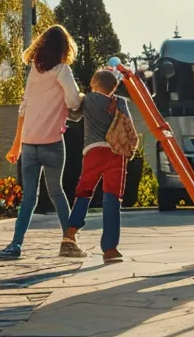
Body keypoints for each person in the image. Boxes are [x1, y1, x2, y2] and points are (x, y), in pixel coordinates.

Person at [0, 25, 86, 260]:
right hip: (52, 143)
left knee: (29, 198)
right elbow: (74, 101)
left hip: (29, 143)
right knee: (57, 193)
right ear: (64, 48)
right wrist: (81, 100)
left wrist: (16, 144)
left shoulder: (35, 72)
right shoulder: (62, 70)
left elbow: (23, 108)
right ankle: (69, 243)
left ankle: (15, 245)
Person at [62, 69, 134, 263]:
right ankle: (110, 249)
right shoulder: (121, 102)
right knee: (112, 198)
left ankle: (70, 233)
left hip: (93, 151)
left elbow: (72, 114)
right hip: (116, 154)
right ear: (115, 87)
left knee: (84, 191)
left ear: (94, 83)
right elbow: (128, 127)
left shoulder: (89, 99)